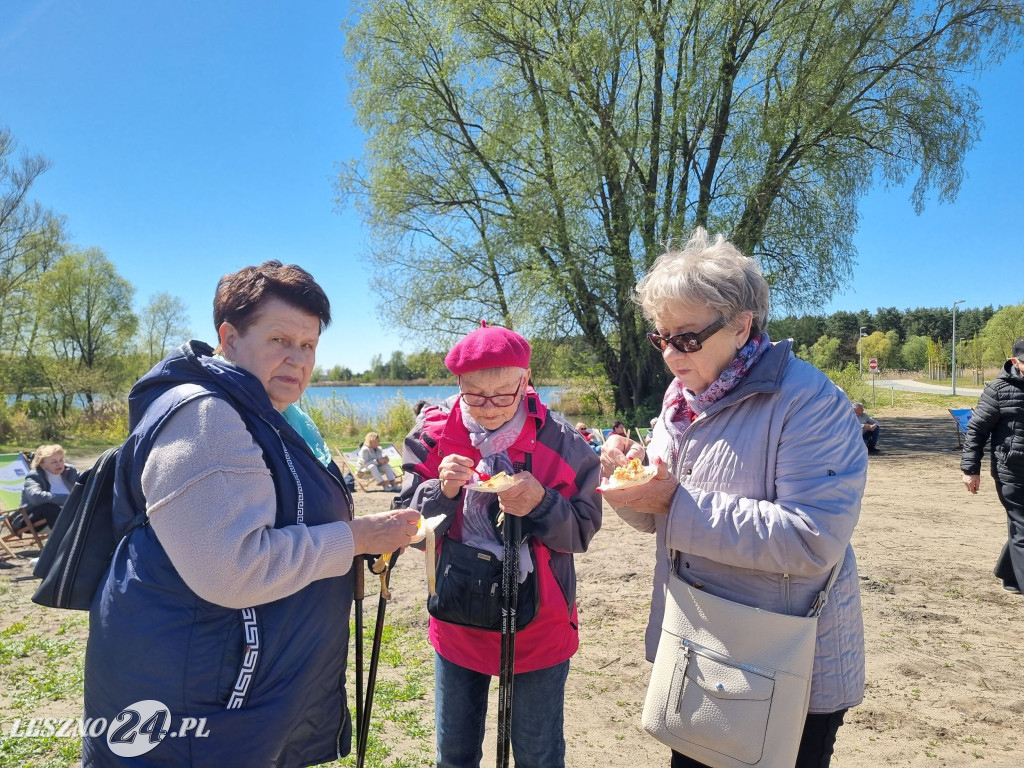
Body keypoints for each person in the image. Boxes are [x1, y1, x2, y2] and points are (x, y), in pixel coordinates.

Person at [82, 261, 419, 768]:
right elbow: (234, 570)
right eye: (280, 339)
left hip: (238, 688)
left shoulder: (275, 414)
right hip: (195, 702)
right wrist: (355, 538)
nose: (297, 359)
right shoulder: (206, 417)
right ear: (229, 336)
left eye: (308, 345)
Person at [599, 228, 867, 768]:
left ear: (743, 326)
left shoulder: (809, 402)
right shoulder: (682, 400)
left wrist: (675, 502)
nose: (671, 355)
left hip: (781, 662)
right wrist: (629, 490)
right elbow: (661, 523)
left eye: (688, 338)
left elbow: (812, 539)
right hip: (700, 647)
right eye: (661, 338)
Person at [401, 323, 602, 768]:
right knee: (454, 753)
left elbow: (584, 529)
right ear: (458, 385)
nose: (488, 408)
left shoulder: (562, 442)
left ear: (525, 381)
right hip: (457, 609)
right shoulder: (435, 436)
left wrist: (542, 503)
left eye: (503, 395)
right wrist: (442, 493)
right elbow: (409, 526)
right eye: (474, 395)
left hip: (540, 621)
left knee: (537, 753)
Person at [961, 336, 1024, 595]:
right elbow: (976, 430)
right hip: (1012, 471)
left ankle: (1007, 573)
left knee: (1020, 527)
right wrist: (970, 469)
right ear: (1015, 362)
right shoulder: (998, 390)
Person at [18, 444, 80, 530]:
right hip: (32, 518)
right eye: (54, 462)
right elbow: (35, 497)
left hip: (67, 513)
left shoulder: (70, 471)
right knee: (49, 507)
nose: (59, 464)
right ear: (42, 464)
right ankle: (64, 540)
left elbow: (87, 484)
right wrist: (68, 499)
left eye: (61, 460)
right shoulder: (34, 476)